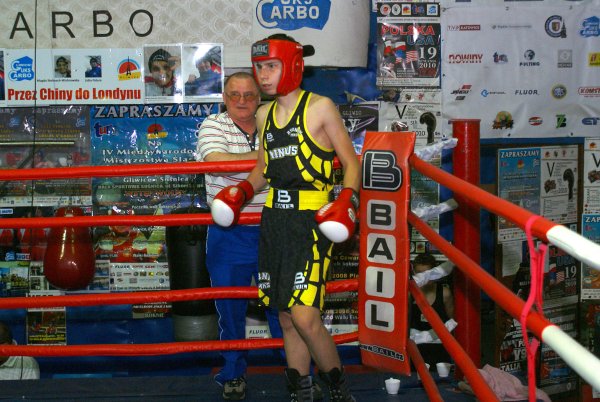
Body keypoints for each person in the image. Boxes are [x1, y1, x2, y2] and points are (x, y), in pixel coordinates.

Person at [210, 34, 360, 402]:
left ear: (293, 65)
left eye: (271, 66)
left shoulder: (321, 107)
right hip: (274, 220)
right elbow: (264, 168)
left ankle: (339, 389)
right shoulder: (263, 114)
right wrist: (243, 190)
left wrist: (347, 199)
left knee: (305, 316)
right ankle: (301, 391)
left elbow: (351, 162)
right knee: (287, 317)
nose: (263, 75)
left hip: (311, 221)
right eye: (260, 67)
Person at [196, 72, 283, 401]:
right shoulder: (213, 125)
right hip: (229, 232)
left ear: (259, 98)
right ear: (224, 98)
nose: (242, 101)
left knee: (284, 306)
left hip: (273, 228)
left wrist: (261, 162)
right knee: (230, 308)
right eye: (235, 95)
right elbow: (217, 162)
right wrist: (269, 159)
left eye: (249, 95)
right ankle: (233, 373)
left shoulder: (276, 122)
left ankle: (298, 372)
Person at [409, 253, 455, 368]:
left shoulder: (445, 293)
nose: (424, 277)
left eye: (428, 273)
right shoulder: (408, 294)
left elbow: (452, 320)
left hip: (439, 348)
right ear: (414, 273)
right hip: (416, 348)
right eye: (420, 273)